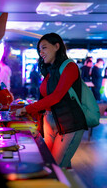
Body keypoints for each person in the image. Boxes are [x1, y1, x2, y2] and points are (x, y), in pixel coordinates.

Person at [15, 33, 88, 168]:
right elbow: (45, 98)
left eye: (44, 48)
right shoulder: (50, 71)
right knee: (50, 164)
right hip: (49, 121)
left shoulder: (69, 66)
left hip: (69, 123)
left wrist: (27, 108)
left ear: (56, 46)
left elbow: (56, 96)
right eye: (39, 50)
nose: (41, 52)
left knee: (54, 168)